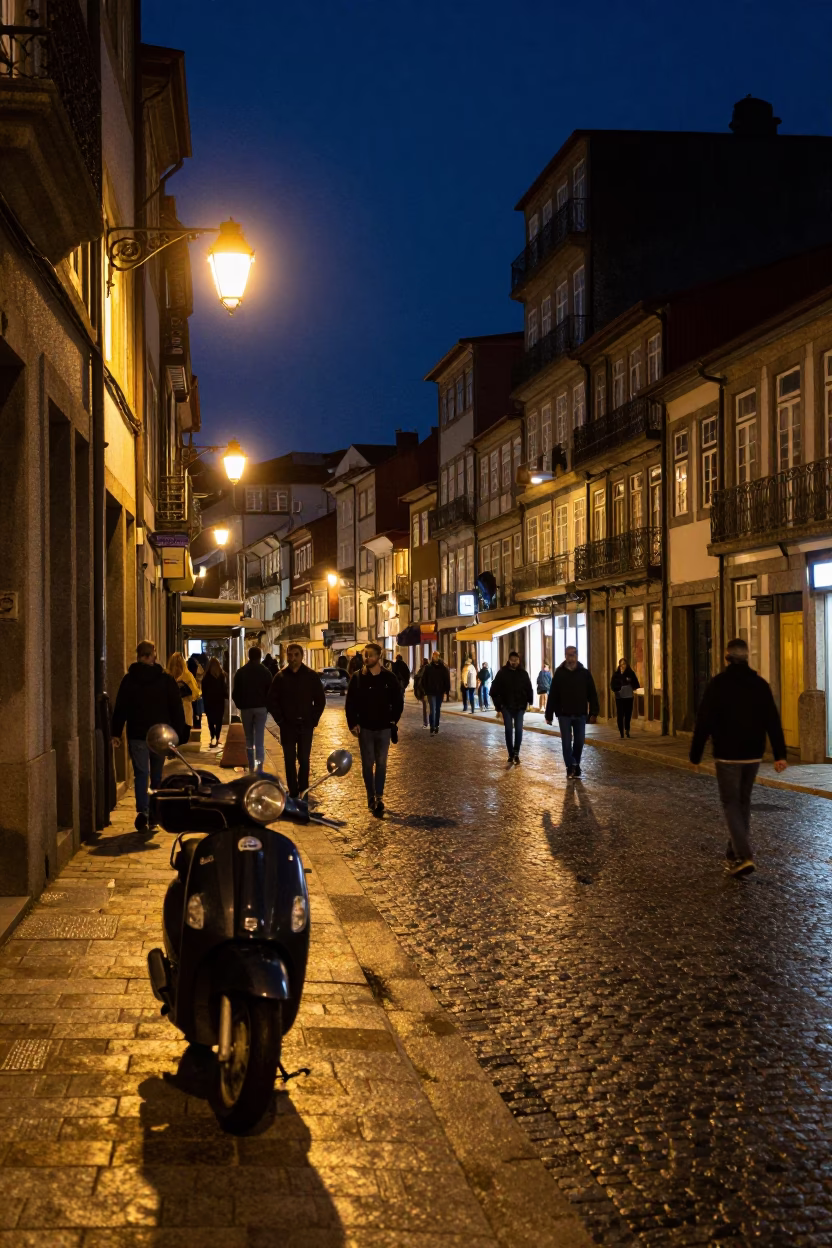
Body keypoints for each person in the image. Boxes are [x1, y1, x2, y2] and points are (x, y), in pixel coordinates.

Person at [690, 637, 787, 877]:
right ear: (746, 658)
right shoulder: (759, 685)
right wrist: (779, 754)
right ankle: (734, 853)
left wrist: (695, 753)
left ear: (727, 657)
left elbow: (704, 720)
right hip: (753, 754)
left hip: (727, 755)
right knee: (743, 802)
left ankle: (744, 855)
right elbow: (772, 720)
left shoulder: (718, 684)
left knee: (731, 803)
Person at [110, 640, 187, 831]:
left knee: (141, 774)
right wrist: (178, 735)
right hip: (160, 735)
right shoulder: (166, 680)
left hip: (137, 734)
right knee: (157, 775)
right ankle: (154, 812)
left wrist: (116, 732)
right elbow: (176, 708)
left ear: (138, 655)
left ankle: (143, 812)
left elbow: (121, 707)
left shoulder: (129, 680)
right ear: (153, 654)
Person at [345, 642, 404, 817]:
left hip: (384, 727)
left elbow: (398, 701)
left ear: (379, 656)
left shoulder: (389, 678)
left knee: (382, 763)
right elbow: (350, 704)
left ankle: (379, 796)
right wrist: (352, 723)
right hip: (365, 728)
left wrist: (393, 720)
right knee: (367, 763)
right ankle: (370, 797)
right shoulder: (357, 677)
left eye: (370, 654)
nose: (367, 658)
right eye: (365, 654)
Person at [267, 642, 326, 798]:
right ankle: (293, 791)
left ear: (302, 656)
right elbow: (272, 701)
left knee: (304, 759)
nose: (292, 658)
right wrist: (280, 720)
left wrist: (313, 719)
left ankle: (303, 789)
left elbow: (320, 700)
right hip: (287, 726)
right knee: (289, 759)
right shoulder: (280, 677)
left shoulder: (311, 676)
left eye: (296, 655)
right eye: (290, 655)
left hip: (306, 725)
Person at [545, 646, 600, 778]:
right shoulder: (559, 673)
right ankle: (570, 766)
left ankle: (575, 764)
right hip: (564, 714)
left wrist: (594, 711)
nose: (572, 657)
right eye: (569, 655)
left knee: (579, 741)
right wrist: (549, 714)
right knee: (566, 742)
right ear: (565, 656)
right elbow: (553, 694)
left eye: (574, 654)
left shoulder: (584, 673)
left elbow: (592, 693)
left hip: (580, 713)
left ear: (577, 656)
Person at [232, 646, 273, 771]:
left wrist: (240, 705)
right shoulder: (266, 672)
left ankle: (251, 766)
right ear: (260, 656)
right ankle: (259, 767)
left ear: (248, 656)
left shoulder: (241, 672)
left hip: (246, 708)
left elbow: (235, 693)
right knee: (259, 738)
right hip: (261, 708)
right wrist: (267, 706)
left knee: (249, 739)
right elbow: (270, 692)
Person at [490, 651, 534, 766]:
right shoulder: (502, 673)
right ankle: (510, 753)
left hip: (520, 707)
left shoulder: (523, 673)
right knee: (508, 730)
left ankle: (516, 752)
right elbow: (494, 690)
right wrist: (499, 706)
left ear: (519, 661)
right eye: (512, 660)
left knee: (519, 730)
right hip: (507, 707)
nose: (514, 662)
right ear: (509, 660)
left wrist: (529, 702)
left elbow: (529, 688)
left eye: (516, 660)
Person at [167, 652, 199, 732]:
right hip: (186, 714)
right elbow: (195, 694)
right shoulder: (188, 676)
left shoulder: (167, 676)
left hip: (170, 715)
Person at [201, 657, 227, 748]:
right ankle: (217, 737)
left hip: (209, 702)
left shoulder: (206, 677)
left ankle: (213, 737)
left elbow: (203, 692)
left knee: (211, 721)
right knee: (219, 720)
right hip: (219, 702)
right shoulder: (222, 676)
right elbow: (224, 689)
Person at [610, 658, 640, 738]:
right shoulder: (616, 674)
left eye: (624, 664)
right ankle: (621, 732)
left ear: (627, 665)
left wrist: (629, 682)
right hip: (619, 697)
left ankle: (627, 728)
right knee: (620, 714)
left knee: (628, 714)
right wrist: (618, 688)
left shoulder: (631, 673)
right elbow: (612, 685)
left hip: (629, 696)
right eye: (621, 664)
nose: (622, 666)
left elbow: (636, 684)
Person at [422, 651, 450, 734]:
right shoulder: (428, 667)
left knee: (437, 709)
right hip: (431, 692)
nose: (436, 657)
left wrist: (446, 691)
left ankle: (436, 725)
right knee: (432, 709)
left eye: (437, 656)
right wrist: (426, 690)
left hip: (439, 692)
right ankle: (432, 725)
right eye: (434, 656)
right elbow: (424, 680)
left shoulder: (443, 668)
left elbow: (446, 680)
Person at [186, 652, 205, 731]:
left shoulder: (187, 668)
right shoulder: (197, 666)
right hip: (196, 692)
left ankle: (193, 723)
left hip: (189, 694)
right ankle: (197, 724)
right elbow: (201, 675)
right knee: (197, 710)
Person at [413, 658, 429, 728]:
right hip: (428, 691)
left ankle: (426, 723)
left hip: (425, 692)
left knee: (425, 708)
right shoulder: (428, 669)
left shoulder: (422, 669)